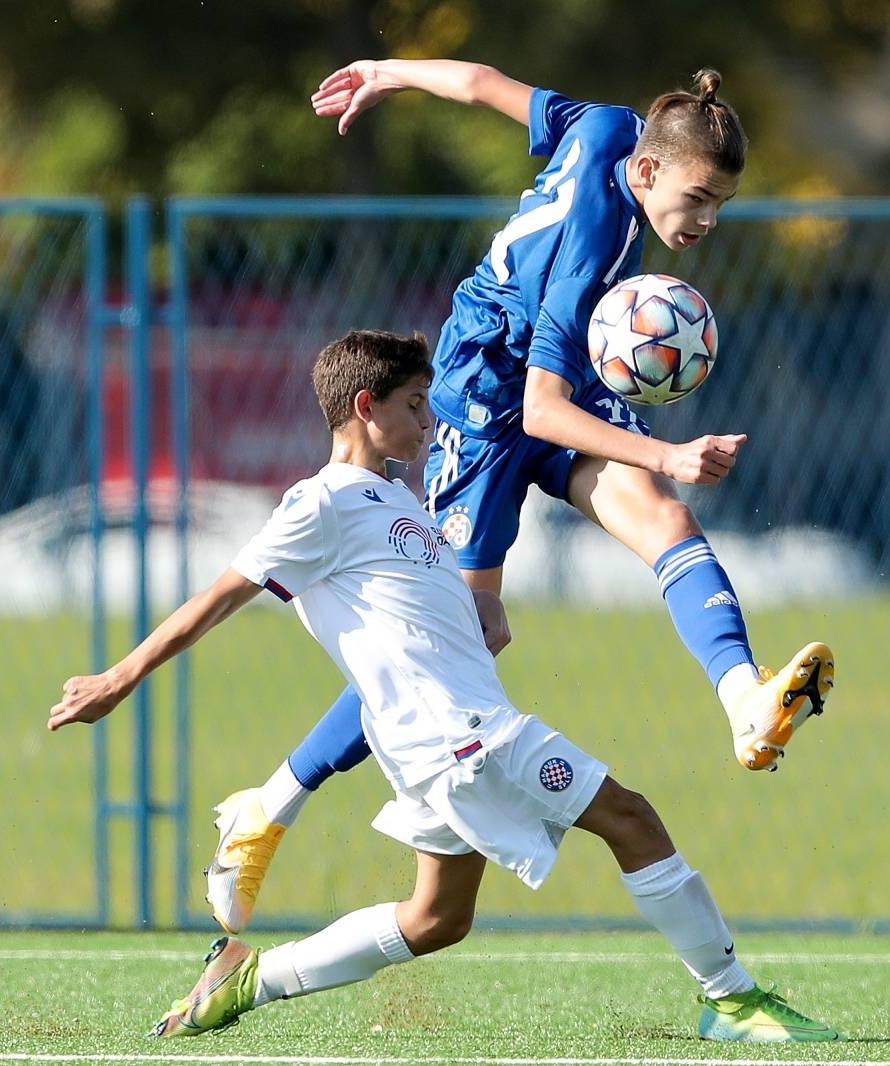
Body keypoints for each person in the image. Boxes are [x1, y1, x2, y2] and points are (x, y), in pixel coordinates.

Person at [47, 331, 838, 1043]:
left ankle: (248, 980)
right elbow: (216, 597)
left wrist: (475, 619)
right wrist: (119, 678)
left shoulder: (398, 500)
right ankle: (731, 1000)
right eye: (416, 405)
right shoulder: (318, 502)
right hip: (463, 736)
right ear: (365, 407)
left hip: (439, 740)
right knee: (633, 819)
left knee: (436, 919)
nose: (431, 422)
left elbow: (410, 615)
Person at [202, 59, 836, 937]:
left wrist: (388, 71)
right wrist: (668, 451)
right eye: (698, 200)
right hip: (484, 407)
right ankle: (266, 806)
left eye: (720, 205)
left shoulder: (610, 126)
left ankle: (745, 702)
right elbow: (542, 409)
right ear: (651, 173)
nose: (706, 222)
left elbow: (477, 81)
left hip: (555, 380)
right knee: (464, 639)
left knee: (664, 521)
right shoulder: (591, 241)